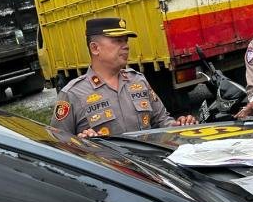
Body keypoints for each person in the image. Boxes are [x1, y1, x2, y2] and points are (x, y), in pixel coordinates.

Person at [50, 17, 196, 138]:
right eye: (117, 41)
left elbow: (162, 121)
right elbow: (60, 147)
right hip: (109, 171)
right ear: (95, 48)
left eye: (125, 41)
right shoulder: (72, 94)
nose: (126, 46)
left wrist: (180, 126)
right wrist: (83, 145)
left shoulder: (138, 80)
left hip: (150, 167)